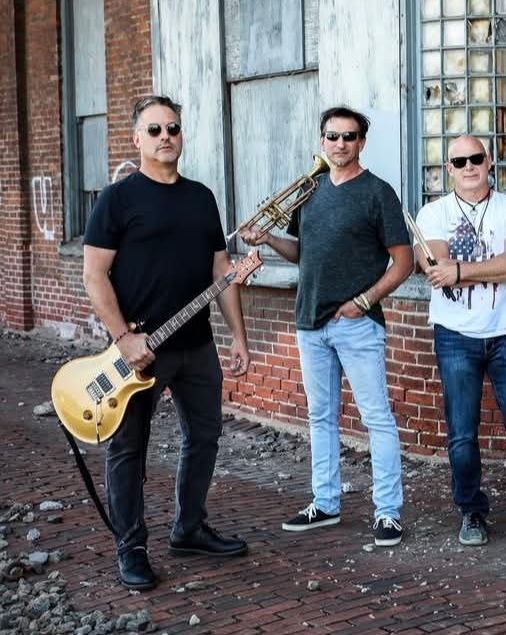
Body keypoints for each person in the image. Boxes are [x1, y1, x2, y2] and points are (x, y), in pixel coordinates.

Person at [83, 95, 250, 591]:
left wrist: (238, 337)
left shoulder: (201, 197)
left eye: (173, 128)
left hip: (197, 346)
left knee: (205, 437)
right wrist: (123, 337)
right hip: (140, 352)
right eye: (154, 130)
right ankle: (131, 547)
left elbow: (222, 270)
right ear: (137, 138)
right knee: (128, 449)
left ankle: (189, 528)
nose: (165, 137)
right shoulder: (117, 199)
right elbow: (94, 275)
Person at [239, 106, 412, 547]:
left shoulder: (378, 192)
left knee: (376, 418)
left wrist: (363, 302)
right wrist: (268, 238)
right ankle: (325, 502)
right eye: (332, 136)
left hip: (357, 323)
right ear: (322, 141)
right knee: (320, 417)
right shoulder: (310, 189)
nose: (340, 144)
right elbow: (304, 253)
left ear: (361, 143)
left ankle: (388, 513)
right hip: (309, 321)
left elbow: (404, 262)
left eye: (349, 136)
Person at [414, 135, 506, 554]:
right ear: (448, 168)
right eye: (459, 161)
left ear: (489, 161)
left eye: (476, 158)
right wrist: (487, 268)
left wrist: (460, 272)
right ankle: (471, 511)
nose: (469, 166)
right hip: (454, 335)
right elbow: (436, 269)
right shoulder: (433, 213)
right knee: (461, 434)